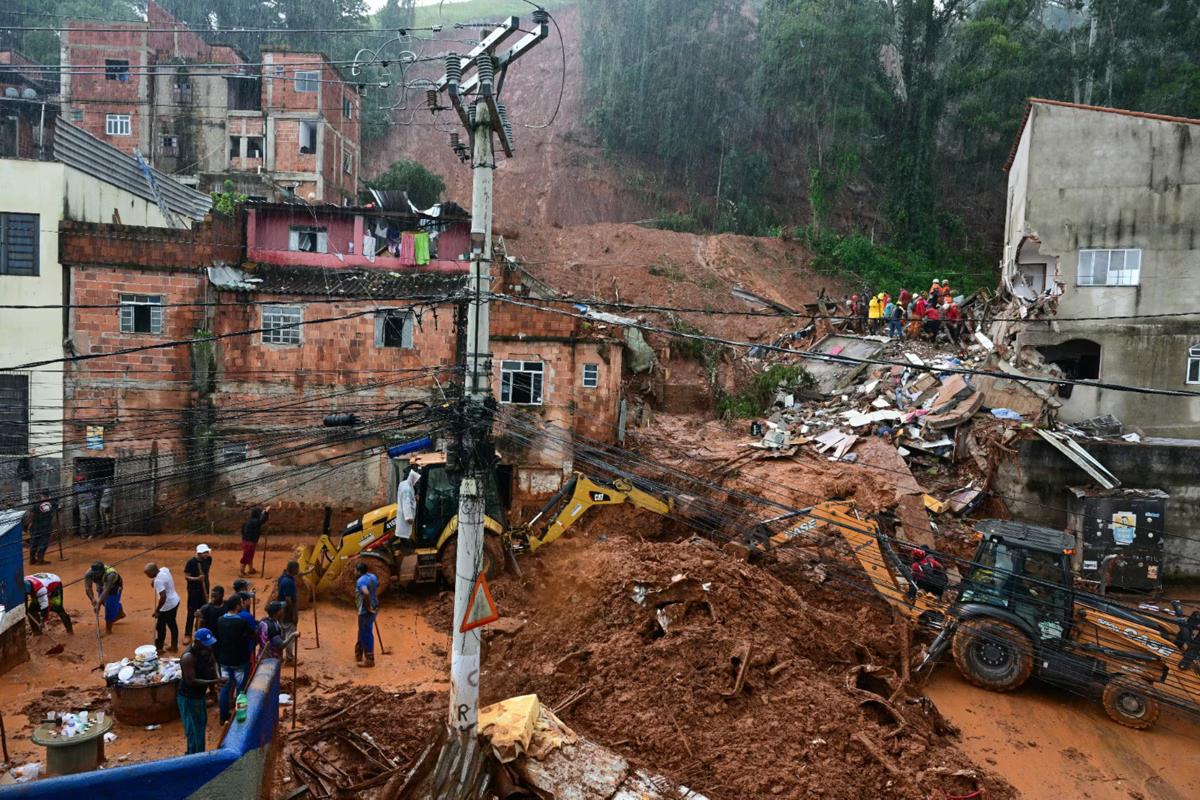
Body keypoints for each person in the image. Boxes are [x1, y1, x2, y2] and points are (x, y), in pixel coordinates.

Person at [178, 628, 224, 755]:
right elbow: (191, 681)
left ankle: (199, 753)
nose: (209, 646)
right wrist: (214, 681)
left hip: (199, 696)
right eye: (206, 643)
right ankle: (194, 755)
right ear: (197, 642)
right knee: (193, 730)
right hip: (188, 697)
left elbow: (213, 662)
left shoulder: (207, 649)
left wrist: (217, 678)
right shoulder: (188, 657)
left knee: (201, 725)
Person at [214, 595, 256, 725]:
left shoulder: (220, 620)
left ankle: (223, 717)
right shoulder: (241, 622)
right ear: (237, 606)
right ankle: (240, 717)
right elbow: (252, 634)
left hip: (224, 660)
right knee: (241, 689)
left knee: (225, 689)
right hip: (240, 660)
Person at [146, 562, 181, 652]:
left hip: (167, 605)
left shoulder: (158, 581)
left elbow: (163, 597)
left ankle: (159, 648)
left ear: (153, 572)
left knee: (160, 627)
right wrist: (154, 580)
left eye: (148, 574)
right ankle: (174, 646)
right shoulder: (163, 570)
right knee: (172, 624)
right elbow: (168, 569)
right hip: (175, 600)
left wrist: (157, 610)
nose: (147, 575)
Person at [183, 544, 213, 644]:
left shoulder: (208, 560)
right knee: (191, 612)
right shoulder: (191, 562)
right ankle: (188, 634)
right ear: (199, 553)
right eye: (205, 553)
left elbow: (206, 572)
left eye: (207, 552)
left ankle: (200, 630)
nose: (207, 554)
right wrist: (197, 579)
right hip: (193, 590)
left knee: (203, 611)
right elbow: (187, 576)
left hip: (205, 589)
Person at [84, 561, 125, 634]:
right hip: (101, 585)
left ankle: (108, 630)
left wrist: (98, 604)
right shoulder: (89, 573)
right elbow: (88, 588)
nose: (95, 575)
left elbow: (106, 591)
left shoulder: (110, 575)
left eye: (97, 573)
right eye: (94, 573)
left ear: (102, 570)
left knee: (109, 606)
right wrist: (93, 600)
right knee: (104, 602)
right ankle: (120, 613)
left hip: (114, 586)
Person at [354, 562, 379, 668]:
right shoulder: (372, 576)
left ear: (359, 571)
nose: (354, 572)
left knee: (366, 632)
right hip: (375, 606)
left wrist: (368, 607)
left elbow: (366, 593)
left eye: (355, 570)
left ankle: (369, 659)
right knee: (362, 630)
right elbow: (376, 587)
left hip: (366, 611)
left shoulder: (360, 581)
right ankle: (359, 651)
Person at [25, 490, 57, 565]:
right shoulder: (52, 503)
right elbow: (58, 509)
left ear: (41, 495)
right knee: (43, 543)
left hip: (35, 526)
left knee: (34, 542)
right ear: (49, 495)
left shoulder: (36, 504)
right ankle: (40, 560)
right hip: (46, 526)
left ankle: (32, 559)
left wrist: (27, 525)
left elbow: (30, 514)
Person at [277, 561, 300, 663]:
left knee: (282, 633)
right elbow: (288, 599)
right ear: (294, 569)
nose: (298, 570)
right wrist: (294, 614)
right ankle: (290, 659)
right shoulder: (288, 582)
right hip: (287, 611)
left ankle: (280, 656)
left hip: (282, 611)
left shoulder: (283, 578)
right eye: (297, 568)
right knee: (290, 635)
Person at [240, 506, 271, 576]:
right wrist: (266, 512)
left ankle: (250, 569)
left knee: (249, 556)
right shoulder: (255, 522)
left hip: (247, 541)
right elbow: (262, 520)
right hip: (249, 542)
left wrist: (265, 512)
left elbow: (242, 531)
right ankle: (242, 571)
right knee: (247, 556)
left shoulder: (249, 521)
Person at [396, 468, 421, 548]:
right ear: (412, 478)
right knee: (404, 535)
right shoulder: (407, 489)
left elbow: (408, 498)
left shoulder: (404, 484)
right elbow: (406, 504)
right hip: (405, 516)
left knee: (403, 533)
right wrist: (408, 517)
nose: (416, 482)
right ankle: (407, 551)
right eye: (416, 480)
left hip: (401, 513)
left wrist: (414, 497)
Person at [75, 474, 98, 540]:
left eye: (82, 479)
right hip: (82, 506)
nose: (81, 481)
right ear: (78, 481)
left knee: (92, 520)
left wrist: (92, 497)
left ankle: (92, 534)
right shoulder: (76, 487)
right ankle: (83, 534)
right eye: (80, 480)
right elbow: (76, 496)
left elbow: (95, 493)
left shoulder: (89, 485)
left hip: (90, 505)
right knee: (83, 521)